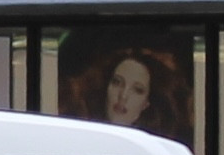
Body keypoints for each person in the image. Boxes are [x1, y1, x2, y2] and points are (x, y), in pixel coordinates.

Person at [60, 38, 193, 144]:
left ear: (146, 103)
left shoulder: (155, 149)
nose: (123, 96)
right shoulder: (79, 138)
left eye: (137, 90)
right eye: (117, 83)